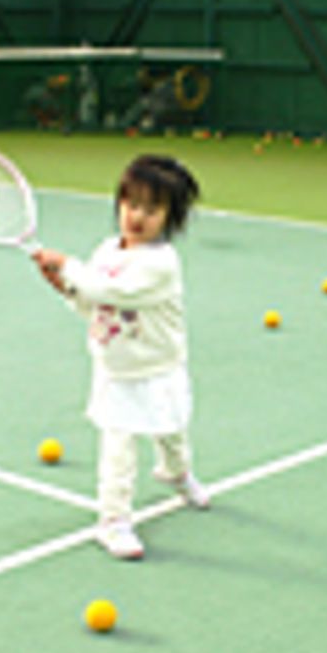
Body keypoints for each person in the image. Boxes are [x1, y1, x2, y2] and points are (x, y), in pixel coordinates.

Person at [32, 155, 209, 560]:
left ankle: (177, 473)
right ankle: (113, 522)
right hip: (116, 371)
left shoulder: (161, 263)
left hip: (160, 366)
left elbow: (117, 293)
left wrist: (68, 266)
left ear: (170, 217)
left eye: (152, 209)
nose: (137, 216)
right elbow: (94, 305)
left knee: (174, 429)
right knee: (118, 447)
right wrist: (63, 286)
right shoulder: (106, 252)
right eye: (131, 204)